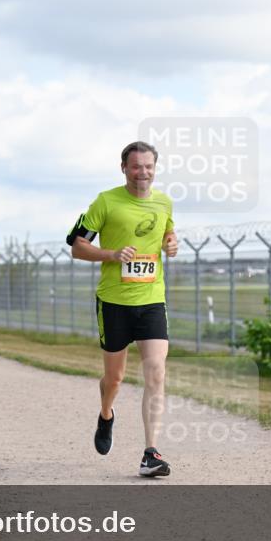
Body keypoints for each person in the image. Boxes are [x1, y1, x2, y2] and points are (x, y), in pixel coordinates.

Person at [67, 141, 179, 477]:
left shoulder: (164, 201)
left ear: (155, 168)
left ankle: (150, 452)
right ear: (123, 168)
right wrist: (112, 254)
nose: (142, 173)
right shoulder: (106, 201)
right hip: (114, 301)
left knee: (156, 371)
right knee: (114, 379)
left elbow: (167, 234)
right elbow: (77, 246)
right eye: (136, 166)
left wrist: (171, 243)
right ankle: (105, 414)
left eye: (148, 166)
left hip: (151, 300)